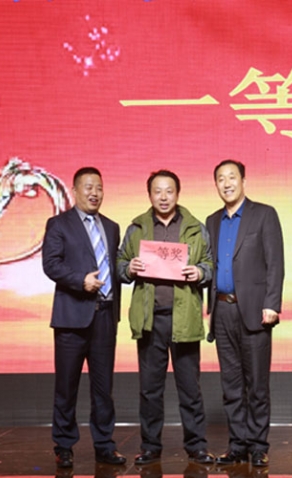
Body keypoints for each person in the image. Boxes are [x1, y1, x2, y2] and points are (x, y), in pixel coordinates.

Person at [116, 170, 215, 466]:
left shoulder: (195, 227)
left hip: (184, 319)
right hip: (150, 321)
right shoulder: (137, 228)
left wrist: (200, 272)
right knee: (150, 389)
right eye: (157, 191)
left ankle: (196, 446)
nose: (163, 197)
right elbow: (119, 263)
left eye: (169, 191)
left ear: (177, 194)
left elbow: (210, 264)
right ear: (149, 194)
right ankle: (150, 447)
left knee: (190, 389)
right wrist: (129, 269)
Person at [42, 167, 126, 469]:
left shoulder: (112, 227)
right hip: (71, 319)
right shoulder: (58, 224)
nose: (94, 193)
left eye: (99, 187)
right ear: (74, 191)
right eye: (88, 187)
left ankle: (104, 445)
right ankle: (64, 445)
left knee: (104, 389)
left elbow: (115, 268)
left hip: (105, 317)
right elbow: (51, 264)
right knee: (67, 387)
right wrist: (81, 280)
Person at [206, 159, 284, 468]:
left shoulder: (264, 214)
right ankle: (237, 445)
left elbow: (275, 263)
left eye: (232, 177)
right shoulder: (212, 221)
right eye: (221, 179)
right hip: (222, 311)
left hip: (254, 312)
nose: (226, 183)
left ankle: (258, 446)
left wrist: (272, 303)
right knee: (231, 385)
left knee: (257, 386)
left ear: (243, 182)